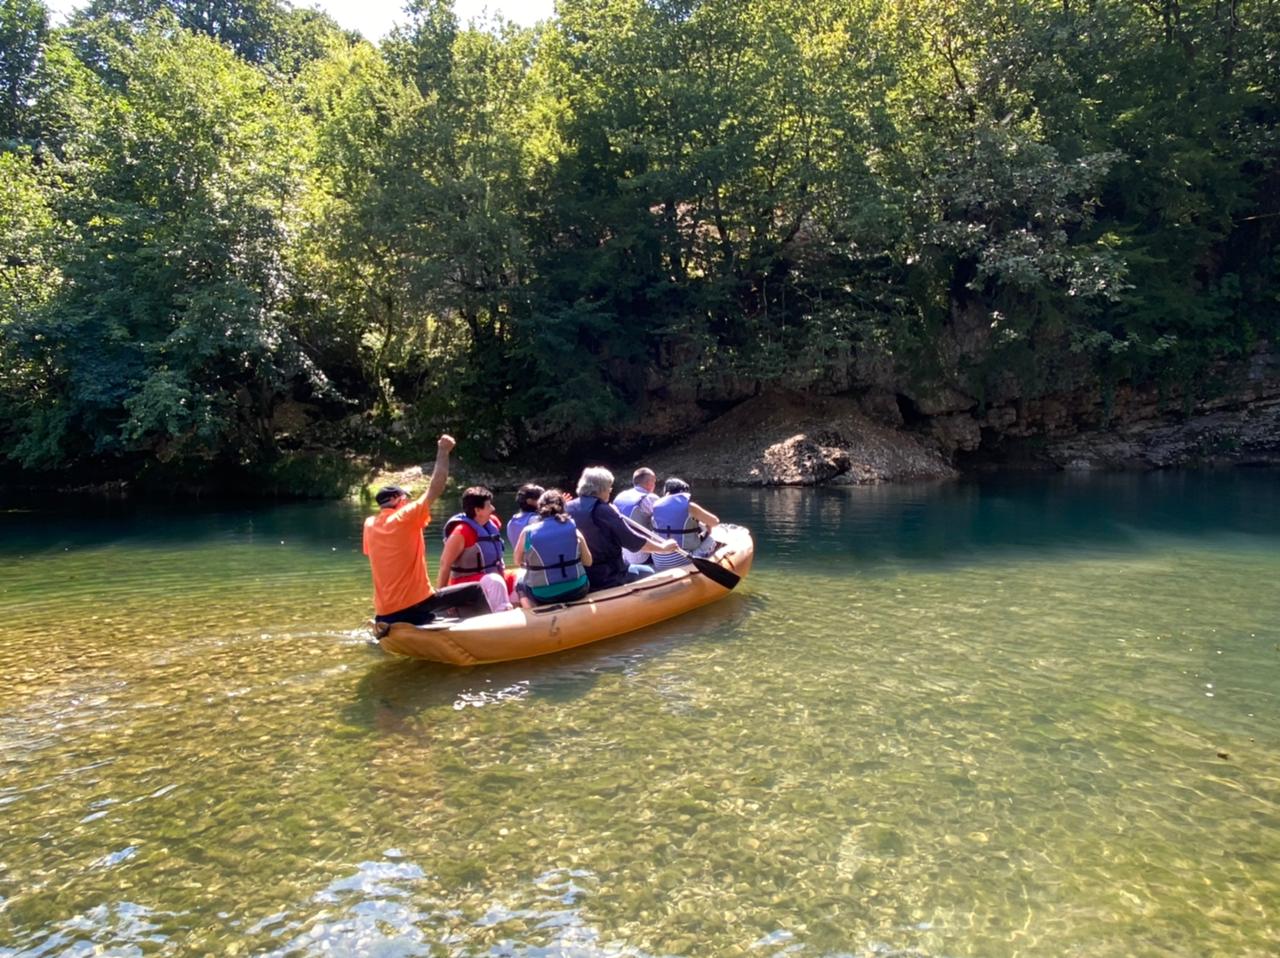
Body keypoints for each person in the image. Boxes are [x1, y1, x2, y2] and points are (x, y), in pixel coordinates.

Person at [362, 435, 489, 629]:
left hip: (384, 613)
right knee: (476, 590)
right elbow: (435, 487)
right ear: (397, 499)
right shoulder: (405, 516)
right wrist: (443, 451)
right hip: (415, 606)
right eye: (405, 498)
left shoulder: (369, 525)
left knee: (436, 595)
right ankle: (488, 631)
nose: (408, 501)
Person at [565, 466, 679, 591]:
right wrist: (663, 548)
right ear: (601, 488)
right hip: (609, 576)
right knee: (650, 572)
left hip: (581, 575)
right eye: (609, 487)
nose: (610, 490)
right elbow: (632, 541)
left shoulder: (567, 508)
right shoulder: (603, 510)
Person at [437, 486, 514, 612]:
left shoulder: (491, 523)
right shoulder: (461, 532)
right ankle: (502, 617)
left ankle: (524, 614)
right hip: (466, 585)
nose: (493, 509)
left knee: (520, 576)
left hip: (492, 579)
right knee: (494, 581)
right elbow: (445, 565)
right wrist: (443, 600)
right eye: (489, 506)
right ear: (478, 510)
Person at [513, 489, 594, 607]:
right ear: (563, 507)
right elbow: (588, 562)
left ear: (539, 509)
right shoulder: (573, 528)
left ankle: (530, 613)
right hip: (578, 590)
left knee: (520, 580)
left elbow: (517, 561)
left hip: (543, 596)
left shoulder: (527, 532)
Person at [650, 477, 720, 572]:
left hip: (658, 559)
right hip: (683, 558)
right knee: (714, 536)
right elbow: (715, 522)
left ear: (666, 491)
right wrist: (708, 528)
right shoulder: (689, 506)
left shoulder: (655, 505)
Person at [612, 467, 658, 567]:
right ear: (649, 483)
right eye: (654, 482)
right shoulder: (650, 498)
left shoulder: (620, 497)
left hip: (624, 555)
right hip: (644, 555)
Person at [506, 483, 544, 549]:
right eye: (542, 499)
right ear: (530, 501)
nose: (545, 501)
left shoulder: (511, 522)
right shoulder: (536, 520)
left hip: (520, 558)